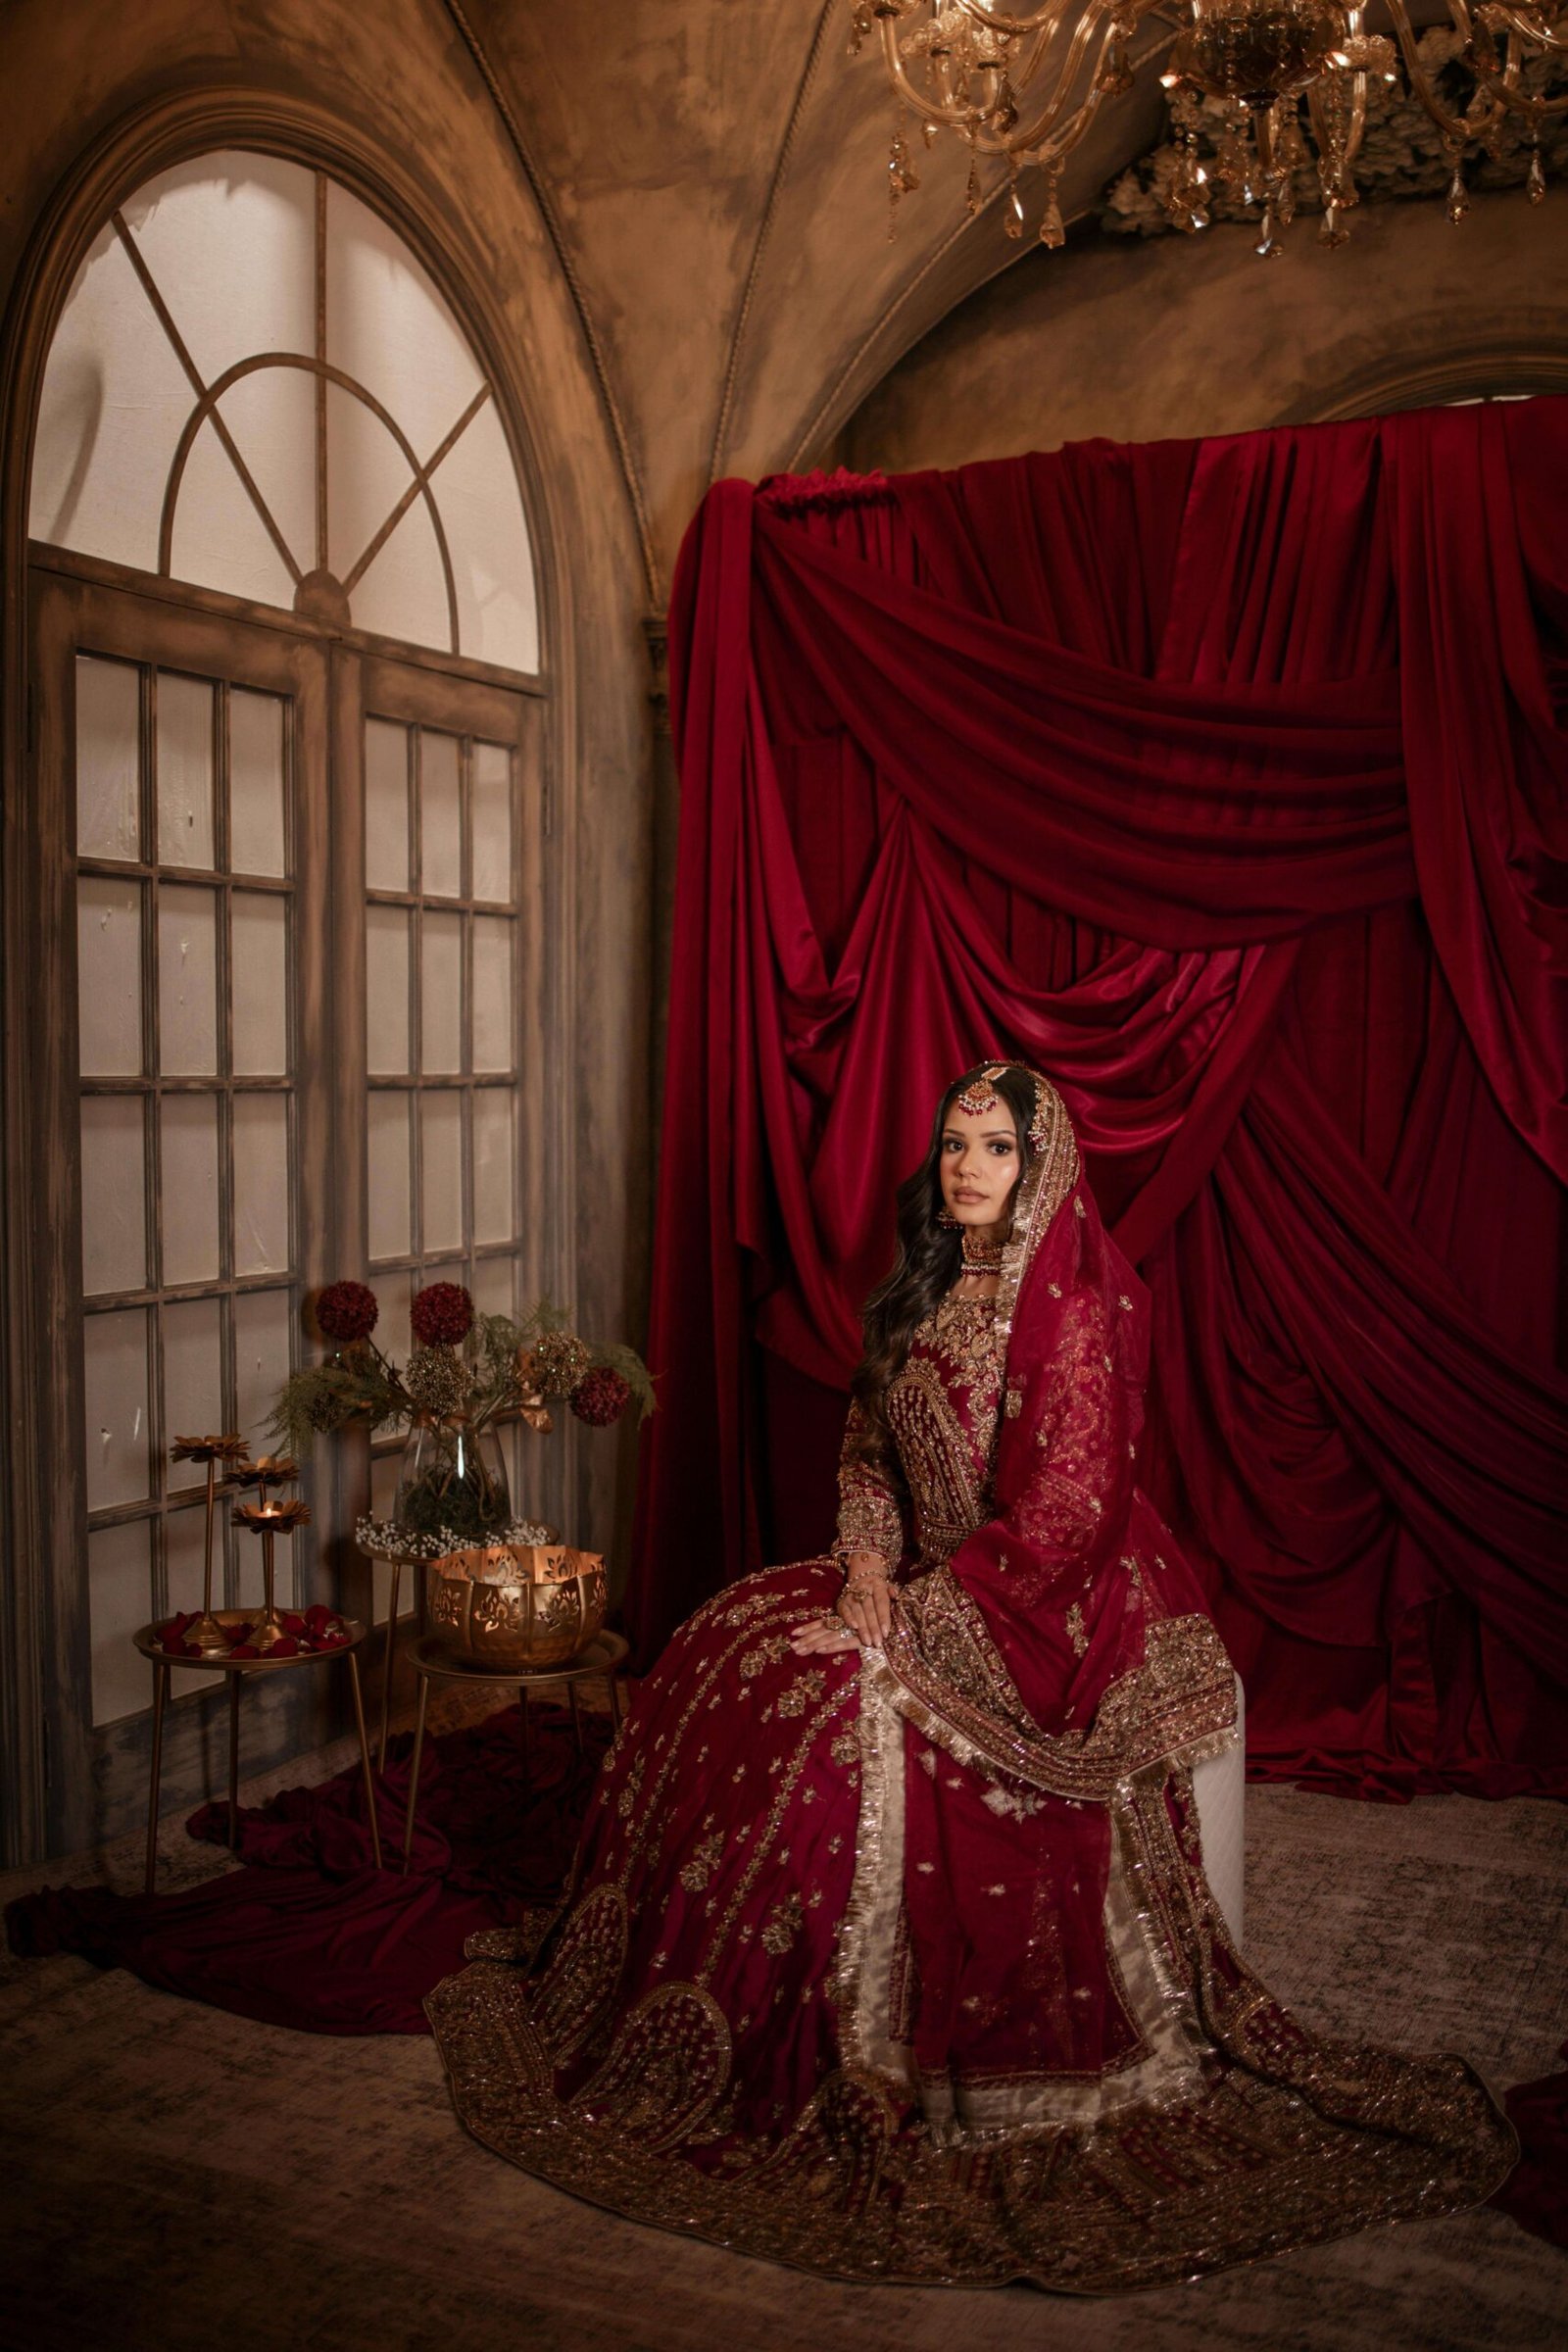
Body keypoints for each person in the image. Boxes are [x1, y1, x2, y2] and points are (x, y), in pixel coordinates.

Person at [428, 1062, 1513, 2290]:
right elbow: (863, 1457)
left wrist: (924, 1627)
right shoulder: (920, 1292)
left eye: (994, 1148)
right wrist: (871, 1577)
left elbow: (1067, 1515)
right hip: (930, 1577)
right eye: (953, 1143)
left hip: (1052, 1601)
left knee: (833, 1723)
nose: (966, 1168)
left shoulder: (1079, 1313)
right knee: (731, 1643)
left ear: (1039, 1166)